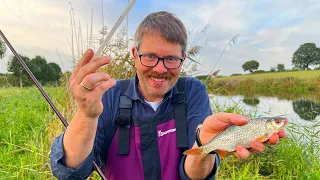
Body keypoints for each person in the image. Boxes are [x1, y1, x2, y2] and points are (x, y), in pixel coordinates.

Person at [50, 11, 285, 180]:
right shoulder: (109, 95)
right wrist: (86, 115)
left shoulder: (193, 91)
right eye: (150, 56)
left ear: (183, 59)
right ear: (134, 54)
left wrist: (204, 146)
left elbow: (194, 175)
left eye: (171, 59)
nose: (160, 69)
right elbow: (69, 171)